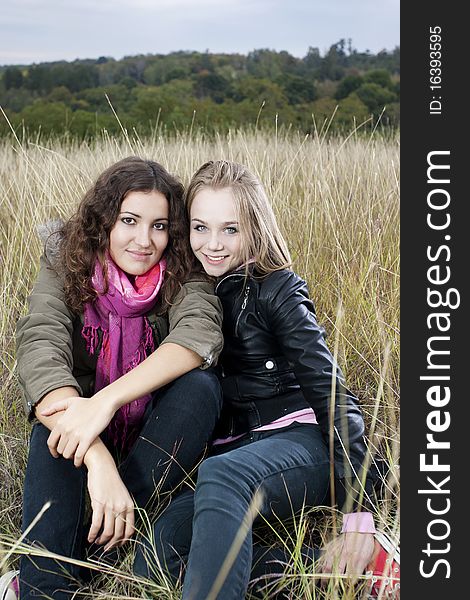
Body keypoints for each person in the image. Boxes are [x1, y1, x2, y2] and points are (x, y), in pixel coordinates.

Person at [134, 160, 399, 599]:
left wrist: (359, 518)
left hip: (301, 443)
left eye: (230, 230)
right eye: (200, 228)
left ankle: (365, 548)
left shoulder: (277, 288)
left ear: (254, 227)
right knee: (157, 557)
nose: (213, 245)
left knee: (222, 474)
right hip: (237, 456)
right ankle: (351, 572)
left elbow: (331, 394)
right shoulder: (187, 293)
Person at [7, 157, 224, 600]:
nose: (144, 241)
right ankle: (47, 585)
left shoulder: (182, 268)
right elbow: (40, 348)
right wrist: (99, 459)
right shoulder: (64, 263)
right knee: (54, 434)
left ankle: (102, 554)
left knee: (201, 387)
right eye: (129, 220)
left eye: (159, 225)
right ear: (104, 219)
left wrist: (105, 401)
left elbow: (199, 331)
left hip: (153, 432)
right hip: (83, 431)